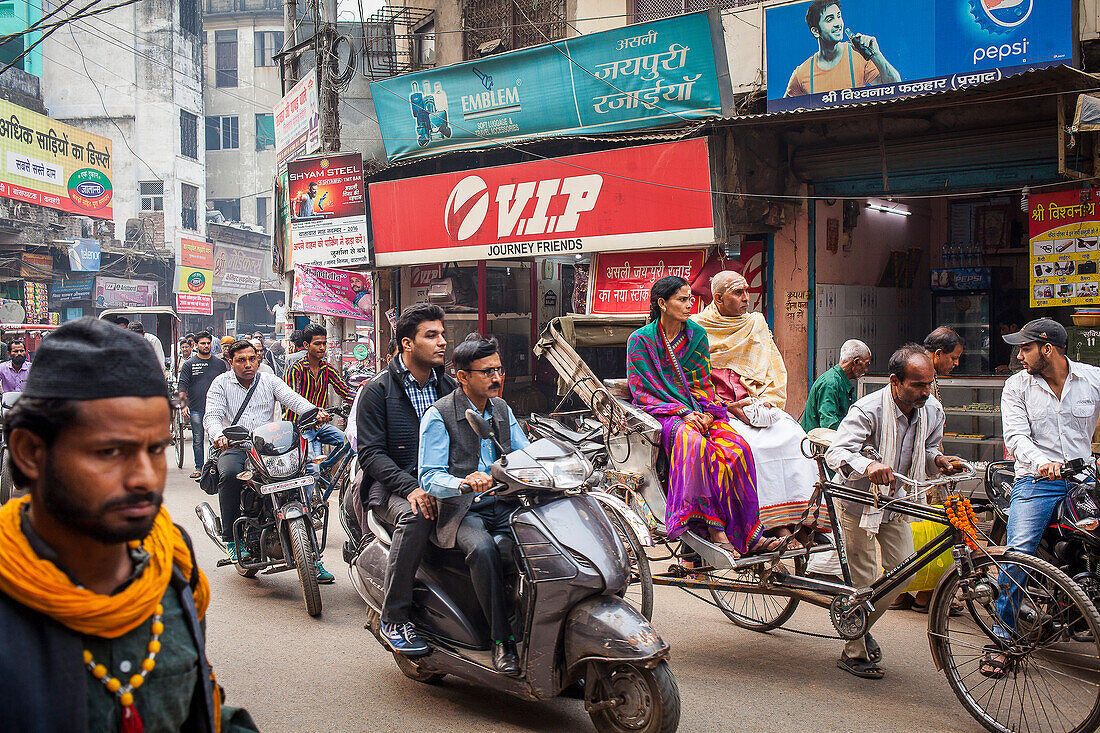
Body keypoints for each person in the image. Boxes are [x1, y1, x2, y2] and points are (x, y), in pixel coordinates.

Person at [0, 317, 256, 732]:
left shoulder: (173, 566)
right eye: (109, 451)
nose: (144, 477)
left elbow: (197, 710)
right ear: (31, 452)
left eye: (155, 448)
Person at [825, 345, 963, 679]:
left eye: (929, 383)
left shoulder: (932, 410)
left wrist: (941, 462)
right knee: (866, 577)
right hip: (858, 501)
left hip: (897, 502)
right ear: (894, 382)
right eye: (917, 385)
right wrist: (868, 464)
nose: (925, 391)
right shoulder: (868, 409)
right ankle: (853, 650)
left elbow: (929, 449)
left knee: (906, 573)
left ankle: (856, 620)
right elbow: (836, 453)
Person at [982, 318, 1100, 678]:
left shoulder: (1093, 379)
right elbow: (1016, 438)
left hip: (1085, 478)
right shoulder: (1016, 386)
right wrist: (1043, 463)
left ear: (1047, 349)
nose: (1019, 355)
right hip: (1038, 481)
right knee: (1018, 554)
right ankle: (1002, 640)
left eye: (1025, 347)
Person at [627, 276, 774, 558]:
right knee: (694, 445)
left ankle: (748, 533)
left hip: (700, 410)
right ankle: (712, 528)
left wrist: (706, 413)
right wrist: (682, 412)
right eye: (681, 300)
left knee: (738, 448)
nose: (688, 305)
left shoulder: (696, 335)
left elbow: (703, 383)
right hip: (665, 414)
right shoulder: (641, 340)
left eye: (689, 299)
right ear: (662, 304)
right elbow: (641, 390)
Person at [418, 334, 529, 676]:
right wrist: (463, 482)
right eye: (486, 372)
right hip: (464, 510)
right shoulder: (438, 415)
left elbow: (523, 453)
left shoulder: (501, 408)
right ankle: (502, 640)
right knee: (483, 550)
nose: (496, 378)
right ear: (462, 376)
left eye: (498, 369)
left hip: (504, 503)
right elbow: (429, 476)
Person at [693, 270, 821, 546]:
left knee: (795, 437)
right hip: (721, 408)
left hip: (755, 403)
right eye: (738, 293)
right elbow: (693, 381)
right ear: (718, 298)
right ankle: (770, 527)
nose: (746, 299)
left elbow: (774, 372)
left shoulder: (756, 324)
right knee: (752, 448)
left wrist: (765, 403)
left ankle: (799, 520)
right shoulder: (697, 329)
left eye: (747, 292)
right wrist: (726, 406)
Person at [355, 304, 453, 657]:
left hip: (445, 484)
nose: (442, 342)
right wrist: (410, 487)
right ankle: (394, 617)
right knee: (418, 515)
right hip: (392, 489)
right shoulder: (377, 391)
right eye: (432, 335)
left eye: (442, 334)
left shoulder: (450, 387)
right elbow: (371, 454)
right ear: (407, 344)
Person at [204, 339, 336, 583]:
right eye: (241, 360)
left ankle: (313, 558)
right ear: (230, 362)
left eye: (252, 359)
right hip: (238, 446)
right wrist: (218, 435)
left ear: (259, 359)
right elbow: (212, 415)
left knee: (305, 473)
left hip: (271, 446)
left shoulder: (269, 380)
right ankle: (232, 540)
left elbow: (292, 399)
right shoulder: (220, 384)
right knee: (229, 475)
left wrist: (314, 411)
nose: (248, 365)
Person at [284, 324, 354, 493]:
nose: (322, 347)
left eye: (324, 343)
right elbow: (294, 399)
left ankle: (324, 466)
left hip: (320, 425)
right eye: (317, 343)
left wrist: (364, 399)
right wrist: (314, 412)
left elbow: (344, 390)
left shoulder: (326, 368)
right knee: (311, 471)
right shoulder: (296, 369)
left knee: (348, 442)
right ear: (307, 345)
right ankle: (307, 510)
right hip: (300, 428)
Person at [784, 0, 900, 98]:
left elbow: (896, 89)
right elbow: (782, 111)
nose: (838, 24)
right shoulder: (801, 73)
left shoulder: (858, 54)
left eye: (838, 16)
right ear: (815, 31)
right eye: (830, 19)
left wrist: (876, 55)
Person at [177, 331, 227, 479]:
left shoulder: (219, 364)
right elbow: (182, 386)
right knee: (197, 439)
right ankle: (199, 468)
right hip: (196, 408)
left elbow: (226, 385)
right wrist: (184, 405)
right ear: (196, 345)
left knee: (216, 438)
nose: (206, 346)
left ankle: (214, 466)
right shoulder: (189, 364)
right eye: (203, 343)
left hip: (217, 409)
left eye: (208, 343)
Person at [802, 339, 872, 432]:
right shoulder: (830, 384)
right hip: (815, 444)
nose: (866, 370)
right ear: (856, 362)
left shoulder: (841, 382)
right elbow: (829, 425)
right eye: (866, 364)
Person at [923, 326, 964, 401]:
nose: (956, 363)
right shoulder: (921, 376)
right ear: (938, 354)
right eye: (954, 358)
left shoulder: (930, 372)